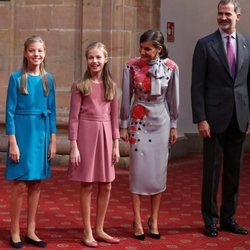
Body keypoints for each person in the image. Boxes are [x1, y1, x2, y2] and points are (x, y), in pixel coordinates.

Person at [191, 0, 250, 238]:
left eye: (227, 13)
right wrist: (201, 118)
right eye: (220, 13)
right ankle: (211, 220)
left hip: (239, 116)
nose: (223, 18)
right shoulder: (205, 45)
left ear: (238, 15)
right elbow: (197, 85)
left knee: (234, 172)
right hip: (213, 119)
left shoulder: (247, 44)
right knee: (212, 173)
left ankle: (228, 218)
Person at [120, 29, 179, 240]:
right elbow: (126, 97)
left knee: (158, 172)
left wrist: (174, 125)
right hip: (138, 122)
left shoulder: (171, 67)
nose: (142, 52)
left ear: (158, 49)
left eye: (147, 49)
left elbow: (173, 98)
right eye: (141, 48)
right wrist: (124, 125)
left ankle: (153, 219)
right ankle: (136, 219)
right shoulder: (131, 66)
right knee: (137, 171)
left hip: (161, 122)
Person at [5, 35, 57, 248]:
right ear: (25, 53)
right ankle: (14, 230)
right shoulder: (17, 78)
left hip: (42, 134)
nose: (36, 54)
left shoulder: (49, 79)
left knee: (36, 184)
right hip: (22, 134)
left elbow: (52, 111)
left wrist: (53, 141)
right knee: (19, 185)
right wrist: (13, 142)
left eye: (40, 51)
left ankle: (31, 230)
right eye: (32, 51)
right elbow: (9, 112)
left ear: (45, 54)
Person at [68, 42, 120, 248]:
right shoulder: (80, 85)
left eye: (98, 57)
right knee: (87, 183)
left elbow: (114, 118)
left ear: (106, 59)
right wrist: (74, 145)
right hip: (86, 135)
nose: (94, 61)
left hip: (106, 134)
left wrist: (116, 145)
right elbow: (73, 118)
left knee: (106, 184)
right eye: (91, 57)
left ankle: (100, 228)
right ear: (86, 60)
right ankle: (87, 230)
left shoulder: (112, 86)